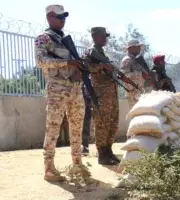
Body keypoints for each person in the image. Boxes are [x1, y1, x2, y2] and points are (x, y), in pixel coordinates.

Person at [35, 4, 86, 181]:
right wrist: (67, 63)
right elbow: (41, 61)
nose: (63, 20)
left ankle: (77, 164)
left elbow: (73, 63)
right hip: (57, 89)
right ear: (50, 17)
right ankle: (49, 169)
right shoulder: (44, 37)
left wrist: (78, 69)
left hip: (75, 88)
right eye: (59, 17)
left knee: (77, 127)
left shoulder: (65, 39)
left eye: (64, 17)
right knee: (53, 128)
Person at [82, 27, 120, 165]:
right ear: (95, 36)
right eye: (103, 36)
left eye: (106, 36)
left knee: (112, 123)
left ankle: (108, 150)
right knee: (102, 124)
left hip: (112, 93)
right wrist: (101, 66)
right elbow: (84, 67)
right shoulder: (90, 52)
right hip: (101, 95)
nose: (105, 39)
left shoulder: (103, 53)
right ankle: (101, 154)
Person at [119, 40, 155, 109]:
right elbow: (123, 76)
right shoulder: (127, 60)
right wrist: (140, 74)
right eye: (137, 46)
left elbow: (145, 74)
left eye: (139, 46)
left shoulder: (137, 59)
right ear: (131, 48)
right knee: (136, 113)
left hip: (140, 90)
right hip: (133, 92)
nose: (139, 48)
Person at [81, 84, 92, 156]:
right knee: (85, 124)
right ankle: (84, 146)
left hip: (92, 97)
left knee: (87, 124)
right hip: (83, 99)